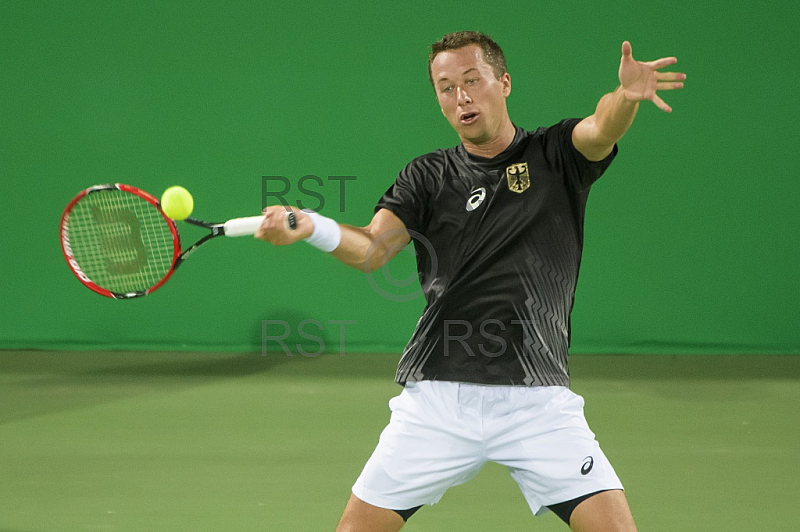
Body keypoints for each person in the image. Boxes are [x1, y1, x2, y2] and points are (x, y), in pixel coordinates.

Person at [256, 31, 685, 532]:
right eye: (445, 87)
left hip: (536, 399)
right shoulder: (426, 177)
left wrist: (625, 98)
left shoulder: (554, 155)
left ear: (503, 83)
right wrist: (312, 226)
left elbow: (601, 129)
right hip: (440, 397)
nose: (460, 97)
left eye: (471, 80)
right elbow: (373, 248)